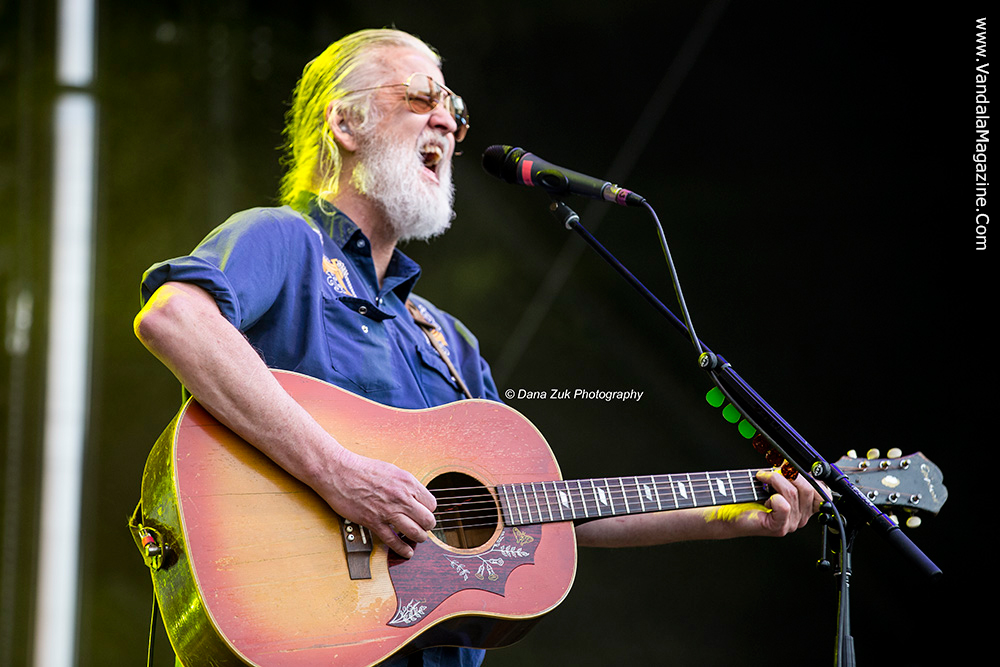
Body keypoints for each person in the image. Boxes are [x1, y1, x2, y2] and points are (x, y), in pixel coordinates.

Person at [134, 28, 822, 667]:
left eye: (455, 109)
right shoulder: (283, 241)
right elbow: (175, 319)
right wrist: (339, 473)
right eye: (423, 97)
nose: (450, 122)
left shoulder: (448, 340)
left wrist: (729, 511)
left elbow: (537, 508)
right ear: (345, 124)